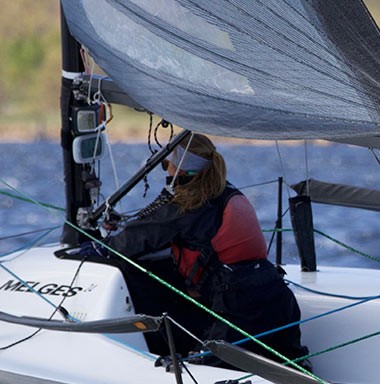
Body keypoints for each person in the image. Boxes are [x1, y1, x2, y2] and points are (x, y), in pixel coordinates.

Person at [99, 133, 309, 366]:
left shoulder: (186, 205)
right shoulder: (225, 191)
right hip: (277, 297)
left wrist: (97, 245)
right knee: (292, 367)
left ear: (179, 169)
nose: (166, 170)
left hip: (237, 310)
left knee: (208, 373)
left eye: (167, 164)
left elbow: (127, 245)